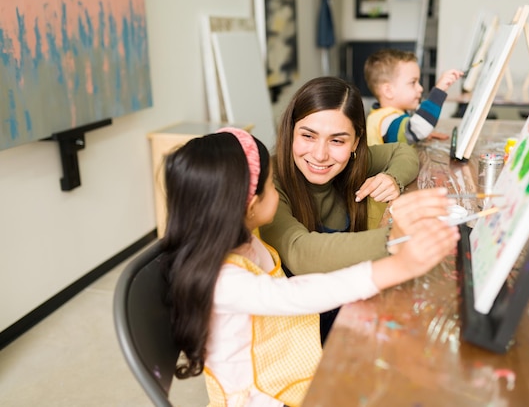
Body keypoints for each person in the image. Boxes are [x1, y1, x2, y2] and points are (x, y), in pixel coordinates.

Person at [161, 128, 459, 407]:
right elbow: (298, 294)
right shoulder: (224, 281)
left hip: (290, 369)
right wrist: (399, 266)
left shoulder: (244, 237)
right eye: (270, 186)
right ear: (250, 206)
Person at [258, 76, 422, 342]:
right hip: (301, 333)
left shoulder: (352, 163)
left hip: (348, 306)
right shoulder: (269, 183)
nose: (320, 155)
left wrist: (393, 178)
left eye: (337, 141)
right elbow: (300, 253)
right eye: (308, 136)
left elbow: (403, 152)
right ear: (290, 132)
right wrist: (394, 238)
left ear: (356, 142)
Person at [363, 48, 463, 146]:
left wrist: (416, 136)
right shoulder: (386, 121)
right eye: (413, 82)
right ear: (388, 91)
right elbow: (417, 129)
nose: (420, 88)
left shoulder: (382, 114)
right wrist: (439, 90)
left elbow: (407, 133)